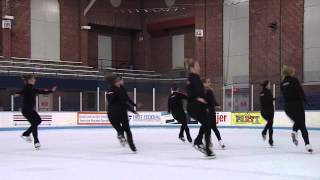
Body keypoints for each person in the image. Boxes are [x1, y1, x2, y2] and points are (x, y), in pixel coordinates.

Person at [14, 74, 56, 150]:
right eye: (33, 79)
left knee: (37, 121)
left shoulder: (31, 88)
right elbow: (22, 91)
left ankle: (28, 135)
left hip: (30, 110)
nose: (35, 80)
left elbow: (41, 91)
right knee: (35, 123)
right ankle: (33, 139)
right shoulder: (27, 88)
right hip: (27, 110)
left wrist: (51, 91)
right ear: (29, 80)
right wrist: (18, 93)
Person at [185, 58, 215, 158]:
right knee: (207, 123)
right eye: (198, 66)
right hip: (194, 106)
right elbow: (193, 93)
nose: (199, 67)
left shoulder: (195, 78)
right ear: (193, 68)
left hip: (197, 106)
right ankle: (206, 148)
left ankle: (199, 142)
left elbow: (200, 92)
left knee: (207, 123)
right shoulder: (192, 78)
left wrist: (204, 102)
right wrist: (198, 98)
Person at [280, 65, 313, 153]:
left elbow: (284, 95)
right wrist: (305, 101)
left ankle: (307, 145)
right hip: (297, 105)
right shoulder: (294, 80)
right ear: (291, 72)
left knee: (300, 123)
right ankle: (303, 140)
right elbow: (300, 91)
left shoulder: (282, 83)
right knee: (302, 124)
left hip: (287, 107)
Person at [106, 74, 137, 152]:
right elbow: (123, 102)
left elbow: (126, 99)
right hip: (118, 112)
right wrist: (133, 110)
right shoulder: (113, 90)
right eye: (121, 80)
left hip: (113, 113)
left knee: (121, 130)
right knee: (127, 130)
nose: (123, 81)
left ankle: (122, 136)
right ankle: (132, 147)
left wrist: (134, 105)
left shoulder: (118, 89)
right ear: (117, 81)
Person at [201, 78, 225, 149]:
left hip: (212, 112)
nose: (209, 83)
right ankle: (209, 142)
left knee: (214, 127)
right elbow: (202, 102)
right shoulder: (202, 92)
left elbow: (213, 100)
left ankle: (220, 141)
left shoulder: (210, 91)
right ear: (204, 84)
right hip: (206, 113)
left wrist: (217, 105)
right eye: (208, 82)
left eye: (209, 82)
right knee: (207, 128)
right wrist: (205, 108)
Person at [260, 80, 275, 147]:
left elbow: (265, 100)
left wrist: (272, 99)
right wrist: (273, 99)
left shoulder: (262, 92)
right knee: (270, 123)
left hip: (265, 111)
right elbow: (267, 101)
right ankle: (267, 135)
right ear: (266, 85)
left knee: (270, 123)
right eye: (269, 84)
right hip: (268, 111)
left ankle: (270, 140)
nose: (270, 85)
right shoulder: (266, 92)